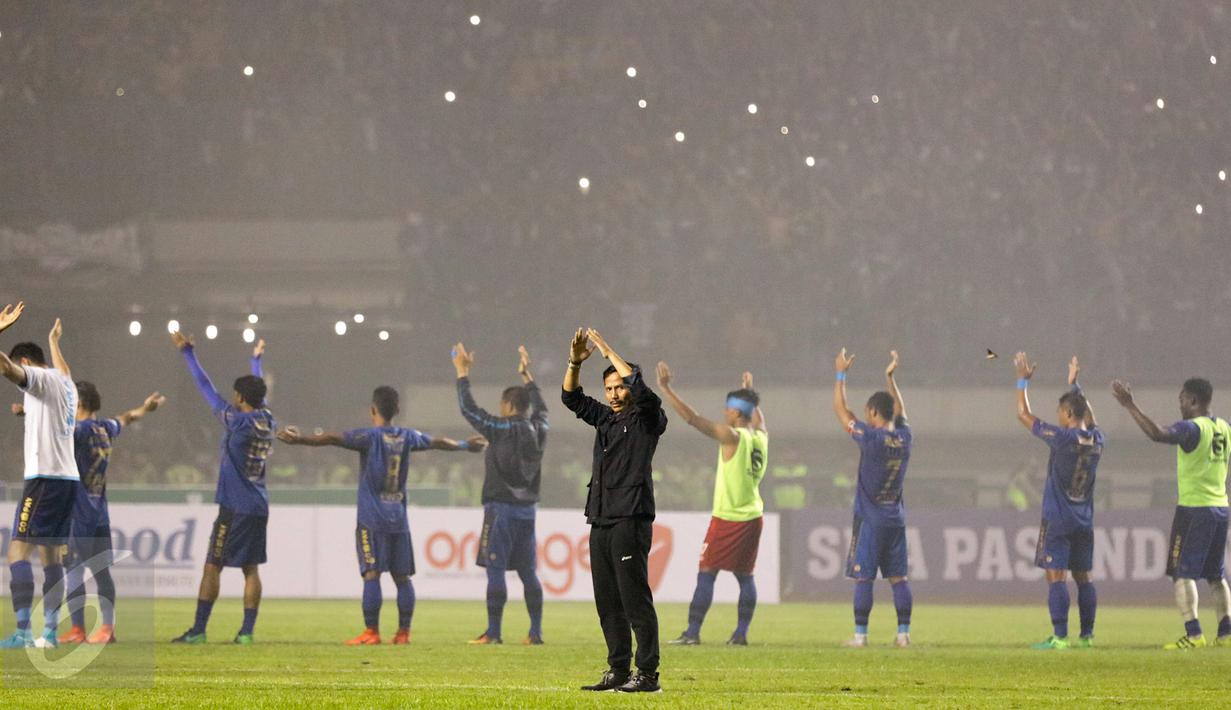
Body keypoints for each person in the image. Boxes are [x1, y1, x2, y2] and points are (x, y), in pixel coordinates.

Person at [278, 386, 485, 645]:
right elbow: (438, 442)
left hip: (372, 519)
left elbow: (332, 437)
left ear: (372, 410)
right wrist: (466, 445)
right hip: (398, 517)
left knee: (372, 574)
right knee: (402, 578)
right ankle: (403, 633)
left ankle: (372, 632)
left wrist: (300, 439)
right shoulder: (408, 436)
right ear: (397, 410)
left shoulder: (369, 436)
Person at [563, 328, 667, 693]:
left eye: (619, 387)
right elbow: (571, 398)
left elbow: (643, 392)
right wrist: (575, 362)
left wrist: (609, 351)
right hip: (602, 517)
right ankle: (618, 669)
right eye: (609, 389)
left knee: (634, 599)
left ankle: (648, 673)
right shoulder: (606, 419)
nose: (614, 394)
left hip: (630, 517)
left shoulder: (648, 420)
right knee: (607, 601)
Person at [1112, 376, 1231, 649]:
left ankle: (1194, 634)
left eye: (1181, 399)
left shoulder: (1192, 429)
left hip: (1194, 509)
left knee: (1181, 573)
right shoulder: (1225, 427)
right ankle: (1226, 634)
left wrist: (1130, 406)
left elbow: (1158, 434)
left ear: (1193, 400)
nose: (1180, 405)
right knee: (1215, 575)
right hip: (1220, 508)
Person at [170, 334, 273, 645]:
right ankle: (246, 632)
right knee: (250, 569)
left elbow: (206, 388)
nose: (232, 398)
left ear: (240, 397)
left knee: (212, 565)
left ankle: (199, 630)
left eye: (236, 395)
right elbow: (259, 393)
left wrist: (188, 354)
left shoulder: (237, 422)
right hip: (258, 505)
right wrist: (255, 362)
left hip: (235, 506)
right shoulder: (267, 419)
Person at [658, 364, 767, 646]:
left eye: (728, 408)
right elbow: (757, 419)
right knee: (745, 577)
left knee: (707, 571)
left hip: (728, 517)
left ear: (736, 412)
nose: (723, 412)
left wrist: (666, 389)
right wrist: (749, 390)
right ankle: (740, 634)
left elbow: (693, 419)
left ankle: (692, 632)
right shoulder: (761, 437)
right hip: (753, 515)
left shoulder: (732, 437)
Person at [452, 343, 549, 645]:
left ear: (507, 405)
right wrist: (528, 377)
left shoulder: (500, 427)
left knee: (495, 568)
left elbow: (469, 409)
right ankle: (535, 632)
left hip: (501, 510)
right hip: (528, 511)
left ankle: (493, 632)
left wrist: (462, 374)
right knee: (528, 572)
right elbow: (543, 409)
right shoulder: (539, 428)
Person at [54, 384, 165, 645]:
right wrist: (145, 408)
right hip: (99, 513)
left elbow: (54, 434)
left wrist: (31, 412)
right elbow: (126, 418)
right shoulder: (105, 428)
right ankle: (106, 628)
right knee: (102, 573)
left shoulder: (78, 431)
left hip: (77, 513)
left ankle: (78, 629)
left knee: (72, 570)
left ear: (78, 403)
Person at [0, 306, 81, 649]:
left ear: (29, 365)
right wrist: (54, 341)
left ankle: (22, 631)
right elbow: (63, 368)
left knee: (18, 552)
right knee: (50, 557)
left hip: (44, 478)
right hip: (67, 479)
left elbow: (6, 368)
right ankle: (49, 631)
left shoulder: (39, 379)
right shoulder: (67, 383)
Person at [1013, 354, 1103, 650]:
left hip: (1058, 518)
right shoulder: (1097, 439)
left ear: (1066, 413)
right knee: (1084, 577)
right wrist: (1076, 385)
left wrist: (1022, 380)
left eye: (1060, 412)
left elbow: (1024, 415)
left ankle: (1060, 637)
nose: (1058, 416)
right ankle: (1087, 636)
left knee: (1056, 577)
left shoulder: (1062, 437)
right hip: (1084, 519)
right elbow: (1090, 419)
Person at [832, 348, 913, 648]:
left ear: (874, 414)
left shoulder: (871, 438)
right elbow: (901, 413)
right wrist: (891, 378)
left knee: (863, 577)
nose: (865, 416)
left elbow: (841, 411)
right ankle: (903, 634)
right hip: (896, 519)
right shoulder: (905, 438)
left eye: (868, 413)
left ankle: (860, 635)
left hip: (870, 519)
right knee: (898, 578)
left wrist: (840, 373)